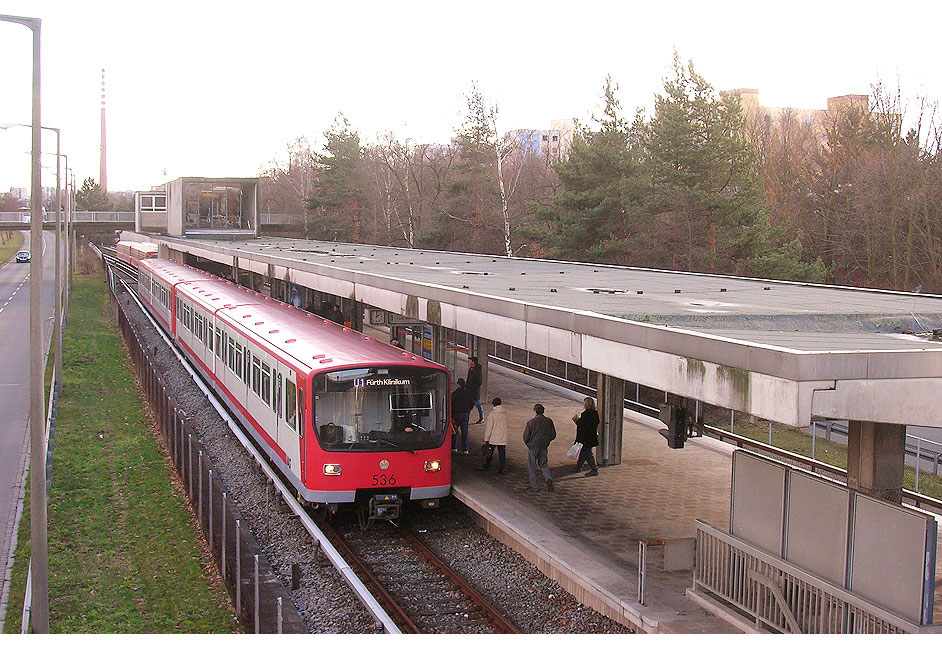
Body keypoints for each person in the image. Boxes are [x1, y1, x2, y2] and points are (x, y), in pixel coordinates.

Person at [522, 403, 556, 492]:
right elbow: (553, 435)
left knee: (532, 466)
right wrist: (547, 441)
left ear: (535, 411)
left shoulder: (531, 422)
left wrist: (528, 443)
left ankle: (535, 486)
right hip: (544, 446)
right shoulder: (549, 421)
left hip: (533, 447)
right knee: (544, 465)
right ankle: (548, 479)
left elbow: (526, 436)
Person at [572, 396, 600, 476]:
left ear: (587, 404)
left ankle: (594, 469)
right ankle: (578, 467)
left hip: (585, 438)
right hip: (592, 436)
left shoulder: (585, 414)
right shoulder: (595, 413)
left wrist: (577, 421)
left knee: (587, 453)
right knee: (583, 452)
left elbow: (583, 426)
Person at [482, 397, 508, 474]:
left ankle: (487, 465)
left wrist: (486, 438)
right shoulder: (505, 413)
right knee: (502, 454)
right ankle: (502, 468)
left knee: (489, 452)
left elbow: (489, 427)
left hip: (493, 437)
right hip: (502, 437)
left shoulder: (492, 414)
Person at [450, 378, 474, 454]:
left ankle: (454, 447)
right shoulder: (468, 393)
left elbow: (451, 404)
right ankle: (465, 449)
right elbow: (472, 402)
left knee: (454, 432)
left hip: (456, 414)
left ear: (458, 384)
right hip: (465, 414)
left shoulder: (454, 394)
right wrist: (468, 409)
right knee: (465, 432)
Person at [466, 356, 484, 423]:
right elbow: (468, 380)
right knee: (470, 405)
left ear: (473, 362)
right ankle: (467, 418)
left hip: (474, 392)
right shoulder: (471, 369)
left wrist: (472, 388)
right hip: (469, 391)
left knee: (477, 404)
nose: (469, 361)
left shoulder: (477, 370)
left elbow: (479, 381)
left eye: (471, 360)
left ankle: (481, 418)